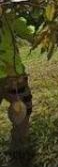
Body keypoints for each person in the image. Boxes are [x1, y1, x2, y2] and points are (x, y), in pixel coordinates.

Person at [0, 15, 34, 155]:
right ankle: (19, 149)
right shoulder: (7, 17)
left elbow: (27, 31)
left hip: (12, 76)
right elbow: (28, 33)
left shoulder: (8, 17)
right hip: (11, 76)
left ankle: (18, 148)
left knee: (22, 108)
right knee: (23, 108)